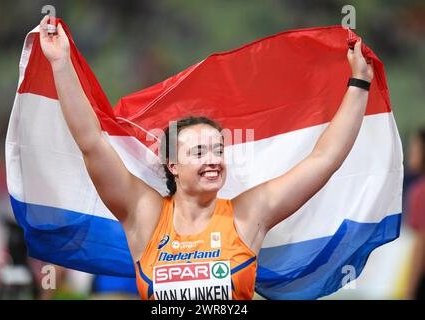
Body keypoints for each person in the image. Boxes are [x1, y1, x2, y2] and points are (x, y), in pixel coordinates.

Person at [38, 15, 373, 300]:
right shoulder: (146, 215)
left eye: (217, 149)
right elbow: (92, 143)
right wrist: (61, 63)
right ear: (173, 165)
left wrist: (359, 83)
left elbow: (323, 159)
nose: (213, 159)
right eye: (198, 152)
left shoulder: (247, 215)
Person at [405, 129, 425, 300]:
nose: (410, 153)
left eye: (415, 148)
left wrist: (410, 289)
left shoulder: (421, 190)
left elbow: (421, 243)